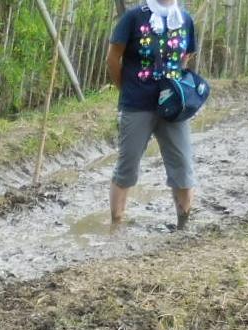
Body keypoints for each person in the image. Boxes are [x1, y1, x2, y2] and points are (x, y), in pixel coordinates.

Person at [107, 0, 200, 228]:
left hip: (174, 107)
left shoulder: (185, 19)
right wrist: (126, 89)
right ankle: (116, 226)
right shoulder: (133, 18)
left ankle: (184, 227)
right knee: (126, 169)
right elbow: (112, 58)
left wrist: (174, 86)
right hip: (137, 105)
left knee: (183, 168)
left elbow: (184, 57)